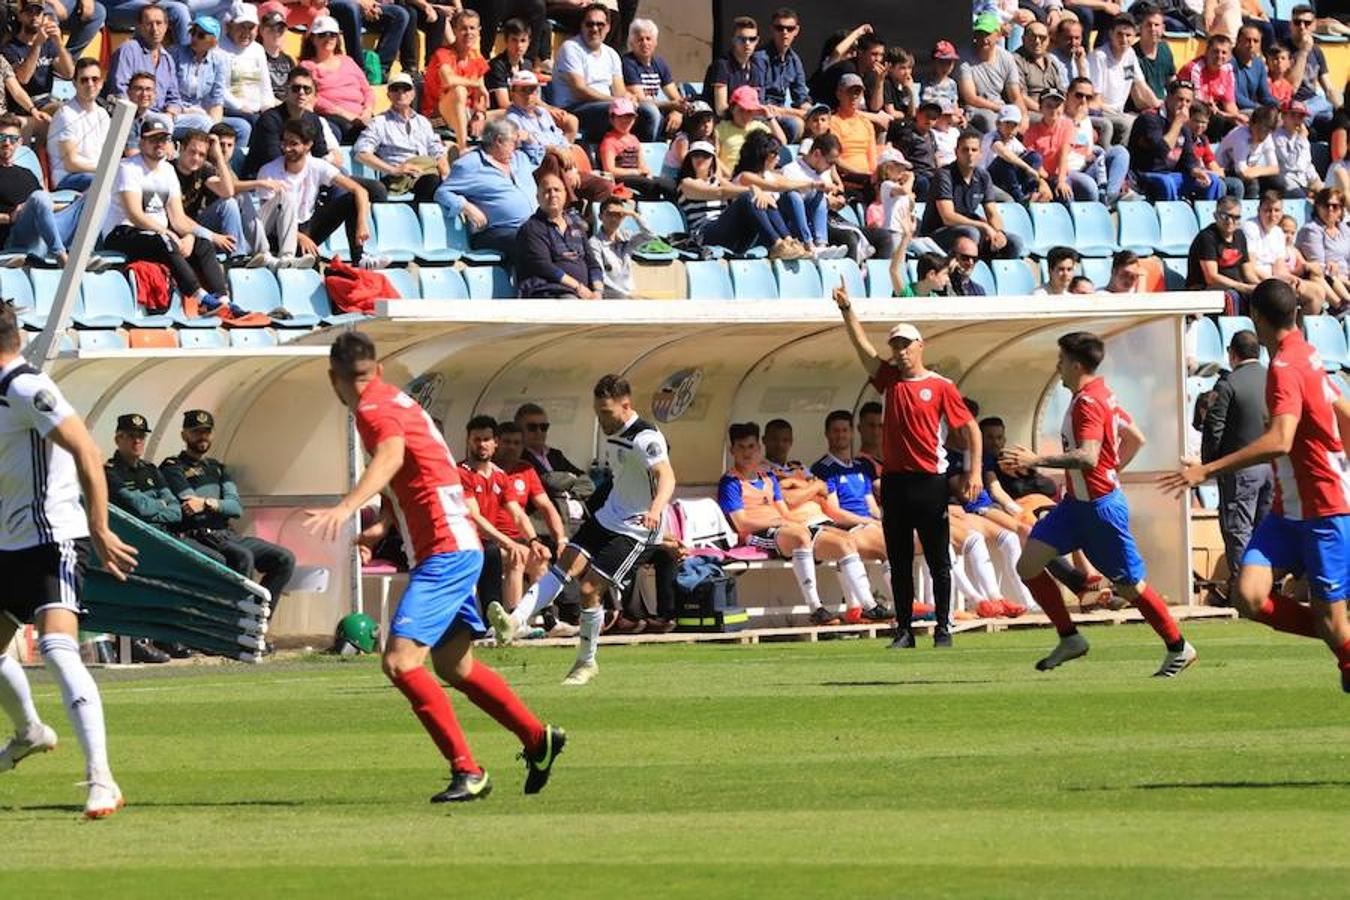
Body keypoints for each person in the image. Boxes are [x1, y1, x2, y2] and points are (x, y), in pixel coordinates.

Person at [304, 331, 564, 802]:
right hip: (452, 543)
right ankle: (536, 737)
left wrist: (348, 506)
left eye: (362, 379)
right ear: (338, 379)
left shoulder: (371, 410)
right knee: (454, 664)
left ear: (354, 377)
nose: (359, 389)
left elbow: (392, 456)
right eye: (353, 380)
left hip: (445, 549)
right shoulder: (395, 399)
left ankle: (468, 771)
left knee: (401, 662)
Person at [1161, 280, 1350, 691]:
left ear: (1257, 318)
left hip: (1323, 507)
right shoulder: (1306, 354)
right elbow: (1341, 407)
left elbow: (1281, 439)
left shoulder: (1285, 368)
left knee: (1333, 624)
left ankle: (1345, 648)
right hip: (1287, 511)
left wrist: (1207, 470)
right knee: (1247, 596)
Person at [0, 302, 138, 818]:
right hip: (8, 544)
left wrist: (99, 527)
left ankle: (101, 778)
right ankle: (30, 732)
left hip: (52, 538)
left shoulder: (26, 387)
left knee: (59, 649)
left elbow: (84, 448)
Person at [1003, 331, 1197, 676]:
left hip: (1099, 510)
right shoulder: (1102, 395)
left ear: (1076, 365)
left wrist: (1036, 459)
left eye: (1061, 361)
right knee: (1029, 563)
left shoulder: (1088, 403)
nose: (1058, 367)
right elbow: (1136, 438)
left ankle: (1179, 647)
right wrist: (1113, 469)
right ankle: (1070, 638)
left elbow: (1089, 456)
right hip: (1076, 506)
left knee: (1129, 586)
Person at [487, 375, 676, 686]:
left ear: (626, 406)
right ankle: (514, 621)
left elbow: (666, 476)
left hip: (636, 528)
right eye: (597, 411)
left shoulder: (646, 438)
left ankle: (586, 663)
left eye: (606, 412)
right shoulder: (614, 430)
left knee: (589, 589)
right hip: (608, 517)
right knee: (564, 563)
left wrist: (655, 510)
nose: (601, 419)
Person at [834, 286, 982, 648]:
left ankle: (943, 628)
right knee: (898, 559)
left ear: (920, 346)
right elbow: (862, 349)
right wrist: (847, 310)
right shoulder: (889, 381)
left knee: (937, 559)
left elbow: (971, 430)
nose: (900, 352)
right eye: (895, 346)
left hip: (930, 481)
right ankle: (903, 630)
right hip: (896, 483)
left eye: (905, 344)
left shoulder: (941, 386)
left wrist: (975, 472)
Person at [717, 421, 882, 626]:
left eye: (751, 447)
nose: (747, 453)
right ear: (732, 450)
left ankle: (869, 606)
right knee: (801, 537)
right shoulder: (731, 482)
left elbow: (785, 511)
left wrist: (811, 525)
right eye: (741, 447)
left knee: (845, 541)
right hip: (757, 534)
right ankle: (816, 609)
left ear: (758, 448)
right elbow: (742, 523)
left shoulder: (767, 477)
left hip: (785, 528)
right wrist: (778, 520)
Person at [160, 409, 294, 615]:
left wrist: (207, 503)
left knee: (284, 558)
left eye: (206, 431)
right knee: (243, 557)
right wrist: (217, 505)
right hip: (202, 536)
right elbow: (191, 505)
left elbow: (236, 508)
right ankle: (237, 631)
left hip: (227, 533)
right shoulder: (173, 467)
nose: (202, 436)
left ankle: (257, 624)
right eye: (196, 432)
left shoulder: (217, 468)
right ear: (184, 435)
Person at [100, 114, 236, 314]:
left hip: (156, 234)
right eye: (153, 139)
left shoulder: (167, 171)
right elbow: (135, 214)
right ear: (142, 141)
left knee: (201, 242)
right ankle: (199, 296)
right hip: (123, 232)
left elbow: (179, 219)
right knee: (164, 240)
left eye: (163, 139)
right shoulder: (128, 167)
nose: (159, 144)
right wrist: (166, 232)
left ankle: (223, 299)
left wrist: (201, 235)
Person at [1200, 329, 1273, 598]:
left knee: (1238, 528)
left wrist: (1210, 464)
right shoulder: (1272, 378)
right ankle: (1268, 587)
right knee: (1265, 529)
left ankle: (1245, 590)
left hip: (1240, 467)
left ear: (1232, 353)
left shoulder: (1228, 384)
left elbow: (1214, 428)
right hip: (1273, 466)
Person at [810, 410, 896, 621]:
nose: (841, 435)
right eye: (836, 431)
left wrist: (882, 520)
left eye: (845, 430)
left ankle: (857, 607)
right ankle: (903, 603)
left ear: (851, 433)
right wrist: (868, 521)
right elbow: (834, 511)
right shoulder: (823, 468)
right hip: (844, 526)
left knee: (899, 536)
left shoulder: (862, 466)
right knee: (891, 546)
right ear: (827, 434)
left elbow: (871, 504)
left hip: (866, 524)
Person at [257, 117, 375, 266]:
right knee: (311, 261)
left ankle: (359, 259)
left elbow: (360, 190)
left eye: (294, 144)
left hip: (307, 225)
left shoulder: (317, 165)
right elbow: (268, 220)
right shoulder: (269, 171)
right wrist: (298, 236)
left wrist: (361, 223)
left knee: (351, 200)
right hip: (279, 233)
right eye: (284, 143)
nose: (287, 148)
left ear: (308, 145)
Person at [458, 415, 535, 618]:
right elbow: (475, 518)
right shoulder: (461, 473)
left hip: (488, 542)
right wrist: (509, 543)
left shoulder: (499, 476)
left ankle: (524, 619)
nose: (482, 445)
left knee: (536, 556)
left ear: (495, 443)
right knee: (497, 552)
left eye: (486, 440)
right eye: (477, 439)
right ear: (469, 441)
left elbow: (517, 514)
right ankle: (493, 620)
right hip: (463, 543)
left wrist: (534, 540)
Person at [493, 420, 570, 618]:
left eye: (517, 443)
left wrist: (561, 539)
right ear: (496, 443)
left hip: (520, 539)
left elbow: (547, 507)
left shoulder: (526, 469)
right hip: (491, 541)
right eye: (507, 442)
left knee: (541, 557)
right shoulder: (487, 470)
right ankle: (513, 619)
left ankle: (549, 619)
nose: (512, 447)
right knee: (516, 555)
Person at [435, 118, 537, 264]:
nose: (517, 146)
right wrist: (466, 206)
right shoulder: (470, 164)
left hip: (533, 226)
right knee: (530, 243)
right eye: (513, 142)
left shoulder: (519, 158)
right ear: (498, 141)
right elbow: (442, 193)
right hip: (497, 231)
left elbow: (537, 156)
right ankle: (535, 286)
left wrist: (530, 138)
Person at [554, 3, 658, 143]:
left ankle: (635, 153)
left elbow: (619, 91)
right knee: (611, 111)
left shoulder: (611, 54)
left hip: (606, 105)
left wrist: (628, 98)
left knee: (648, 112)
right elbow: (580, 90)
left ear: (608, 27)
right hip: (575, 108)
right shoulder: (571, 49)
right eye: (589, 24)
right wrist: (615, 101)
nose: (595, 29)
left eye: (600, 24)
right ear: (582, 26)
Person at [920, 129, 1026, 259]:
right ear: (956, 152)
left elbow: (992, 213)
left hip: (969, 229)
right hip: (939, 232)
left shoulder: (983, 176)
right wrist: (983, 226)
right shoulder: (944, 175)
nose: (970, 154)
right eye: (965, 150)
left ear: (981, 154)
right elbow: (948, 217)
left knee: (1014, 242)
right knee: (971, 233)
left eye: (974, 150)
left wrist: (999, 233)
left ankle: (991, 272)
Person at [0, 114, 82, 265]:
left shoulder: (27, 174)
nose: (6, 143)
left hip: (44, 234)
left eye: (12, 139)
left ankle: (83, 254)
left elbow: (45, 207)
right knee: (39, 197)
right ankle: (62, 256)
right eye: (2, 137)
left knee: (95, 198)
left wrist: (74, 205)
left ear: (19, 143)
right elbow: (39, 201)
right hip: (16, 236)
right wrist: (10, 217)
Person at [354, 72, 448, 203]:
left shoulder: (423, 122)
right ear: (388, 95)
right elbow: (361, 153)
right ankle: (416, 216)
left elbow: (437, 151)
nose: (401, 93)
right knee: (431, 182)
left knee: (447, 182)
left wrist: (444, 169)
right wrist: (394, 170)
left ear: (413, 93)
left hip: (424, 171)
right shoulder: (380, 122)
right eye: (395, 89)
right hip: (398, 177)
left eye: (406, 88)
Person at [1128, 78, 1225, 201]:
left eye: (1188, 101)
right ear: (1168, 98)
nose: (1184, 105)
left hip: (1172, 174)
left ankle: (1209, 219)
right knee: (1166, 183)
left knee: (1213, 181)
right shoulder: (1149, 118)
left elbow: (1188, 157)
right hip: (1146, 175)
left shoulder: (1184, 126)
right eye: (1180, 99)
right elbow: (1161, 151)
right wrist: (1177, 122)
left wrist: (1196, 171)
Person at [515, 168, 603, 298]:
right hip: (548, 291)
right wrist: (579, 288)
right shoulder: (531, 229)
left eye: (557, 190)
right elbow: (545, 267)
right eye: (547, 191)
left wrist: (598, 291)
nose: (552, 194)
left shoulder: (576, 226)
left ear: (565, 195)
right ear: (538, 198)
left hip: (583, 292)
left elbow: (592, 263)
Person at [300, 15, 375, 144]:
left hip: (361, 116)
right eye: (323, 34)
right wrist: (344, 114)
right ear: (313, 38)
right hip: (332, 117)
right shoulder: (307, 66)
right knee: (333, 132)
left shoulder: (348, 61)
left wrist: (367, 111)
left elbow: (367, 90)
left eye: (333, 35)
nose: (328, 38)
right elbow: (312, 97)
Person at [423, 9, 489, 153]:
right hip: (439, 116)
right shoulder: (443, 54)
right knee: (459, 90)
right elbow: (448, 80)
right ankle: (463, 146)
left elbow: (481, 95)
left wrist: (480, 114)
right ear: (454, 30)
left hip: (467, 114)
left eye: (472, 28)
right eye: (463, 28)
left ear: (479, 31)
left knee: (508, 113)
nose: (468, 33)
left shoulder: (477, 57)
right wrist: (476, 84)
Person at [1088, 13, 1157, 146]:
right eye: (1119, 34)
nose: (1124, 39)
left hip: (1119, 112)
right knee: (1129, 123)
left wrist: (1158, 105)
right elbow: (1096, 99)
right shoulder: (1099, 57)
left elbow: (1140, 84)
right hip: (1102, 111)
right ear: (1110, 34)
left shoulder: (1129, 55)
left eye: (1128, 35)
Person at [1187, 195, 1262, 310]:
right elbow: (1211, 277)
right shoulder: (1206, 238)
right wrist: (1242, 287)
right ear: (1215, 216)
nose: (1230, 221)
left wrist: (1262, 286)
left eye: (1236, 217)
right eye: (1225, 216)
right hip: (1204, 289)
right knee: (1232, 297)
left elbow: (1248, 273)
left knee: (1267, 294)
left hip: (1235, 286)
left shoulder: (1240, 236)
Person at [45, 56, 107, 193]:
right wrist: (106, 169)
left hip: (96, 174)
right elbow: (71, 163)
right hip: (67, 178)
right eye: (84, 80)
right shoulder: (65, 115)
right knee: (103, 182)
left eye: (95, 79)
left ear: (101, 83)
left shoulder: (103, 114)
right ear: (74, 83)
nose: (90, 84)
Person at [959, 14, 1025, 134]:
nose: (984, 39)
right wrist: (999, 108)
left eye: (987, 34)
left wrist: (1023, 116)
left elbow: (1015, 95)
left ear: (998, 35)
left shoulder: (1006, 57)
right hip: (976, 109)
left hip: (1001, 107)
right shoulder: (965, 58)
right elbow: (970, 98)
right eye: (980, 34)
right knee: (992, 122)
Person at [219, 4, 270, 151]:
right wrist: (239, 106)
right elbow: (218, 88)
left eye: (251, 27)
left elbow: (265, 85)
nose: (246, 32)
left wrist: (268, 107)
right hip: (230, 107)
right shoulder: (219, 49)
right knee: (255, 122)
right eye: (242, 26)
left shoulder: (258, 50)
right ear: (230, 26)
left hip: (255, 109)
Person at [756, 6, 811, 142]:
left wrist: (813, 114)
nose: (784, 33)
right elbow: (760, 103)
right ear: (772, 29)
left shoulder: (794, 60)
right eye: (779, 28)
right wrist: (796, 113)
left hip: (781, 112)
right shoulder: (760, 58)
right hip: (762, 113)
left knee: (822, 124)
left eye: (790, 29)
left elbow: (801, 98)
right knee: (796, 125)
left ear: (796, 30)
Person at [622, 18, 684, 138]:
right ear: (631, 43)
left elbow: (676, 97)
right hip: (638, 113)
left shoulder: (659, 63)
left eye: (648, 39)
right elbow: (641, 100)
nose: (645, 43)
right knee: (651, 111)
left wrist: (677, 111)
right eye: (640, 39)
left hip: (658, 108)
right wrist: (672, 105)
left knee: (693, 112)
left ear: (655, 42)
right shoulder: (628, 63)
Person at [171, 15, 230, 142]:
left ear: (214, 40)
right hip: (175, 112)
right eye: (193, 32)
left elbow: (216, 100)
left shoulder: (218, 62)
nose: (194, 38)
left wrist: (216, 128)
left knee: (242, 127)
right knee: (204, 123)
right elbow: (168, 92)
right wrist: (186, 110)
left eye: (201, 35)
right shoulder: (175, 54)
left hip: (199, 113)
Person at [1178, 33, 1245, 139]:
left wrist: (1238, 119)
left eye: (1224, 53)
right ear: (1207, 51)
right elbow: (1200, 108)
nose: (1219, 56)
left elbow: (1230, 105)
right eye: (1215, 51)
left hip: (1215, 111)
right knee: (1218, 120)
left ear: (1230, 56)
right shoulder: (1194, 69)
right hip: (1192, 112)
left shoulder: (1228, 70)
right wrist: (1229, 116)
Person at [982, 103, 1052, 202]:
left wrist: (1042, 183)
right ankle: (1020, 199)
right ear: (998, 124)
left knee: (1034, 157)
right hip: (988, 178)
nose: (1010, 129)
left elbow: (1038, 169)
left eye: (1014, 125)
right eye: (1007, 124)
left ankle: (1031, 191)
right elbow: (1004, 153)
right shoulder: (991, 137)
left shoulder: (1015, 143)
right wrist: (1027, 168)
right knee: (1005, 162)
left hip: (1007, 179)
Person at [1287, 5, 1340, 130]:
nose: (1302, 27)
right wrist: (1303, 52)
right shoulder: (1282, 49)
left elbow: (1328, 88)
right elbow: (1291, 88)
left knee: (1335, 108)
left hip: (1315, 101)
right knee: (1303, 113)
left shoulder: (1316, 51)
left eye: (1307, 23)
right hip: (1293, 103)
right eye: (1297, 22)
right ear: (1291, 25)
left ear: (1314, 25)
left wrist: (1342, 110)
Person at [1217, 104, 1287, 198]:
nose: (1262, 135)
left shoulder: (1267, 137)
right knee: (1252, 184)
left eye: (1267, 131)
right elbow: (1242, 172)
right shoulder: (1241, 136)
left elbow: (1275, 168)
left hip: (1251, 170)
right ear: (1251, 124)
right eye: (1259, 129)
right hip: (1225, 171)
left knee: (1279, 182)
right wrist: (1256, 171)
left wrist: (1256, 171)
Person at [1015, 19, 1067, 117]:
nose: (1037, 41)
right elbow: (1020, 96)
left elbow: (1062, 93)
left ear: (1048, 41)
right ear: (1023, 39)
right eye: (1032, 37)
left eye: (1042, 37)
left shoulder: (1052, 61)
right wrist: (1046, 111)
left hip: (1054, 111)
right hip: (1030, 112)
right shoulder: (1016, 60)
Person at [1233, 23, 1279, 114]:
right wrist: (1259, 108)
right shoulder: (1229, 62)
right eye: (1247, 40)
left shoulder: (1259, 64)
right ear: (1238, 41)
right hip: (1236, 110)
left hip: (1255, 110)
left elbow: (1265, 95)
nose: (1251, 45)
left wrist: (1278, 105)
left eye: (1256, 41)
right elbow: (1234, 96)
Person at [1134, 3, 1175, 101]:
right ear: (1140, 28)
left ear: (1163, 29)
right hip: (1137, 111)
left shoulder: (1165, 49)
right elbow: (1136, 96)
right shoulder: (1129, 55)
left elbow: (1172, 81)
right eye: (1148, 25)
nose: (1153, 29)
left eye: (1156, 25)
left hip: (1163, 106)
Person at [259, 8, 293, 102]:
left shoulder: (288, 60)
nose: (277, 33)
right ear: (262, 31)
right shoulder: (256, 56)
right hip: (266, 105)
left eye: (281, 29)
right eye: (272, 29)